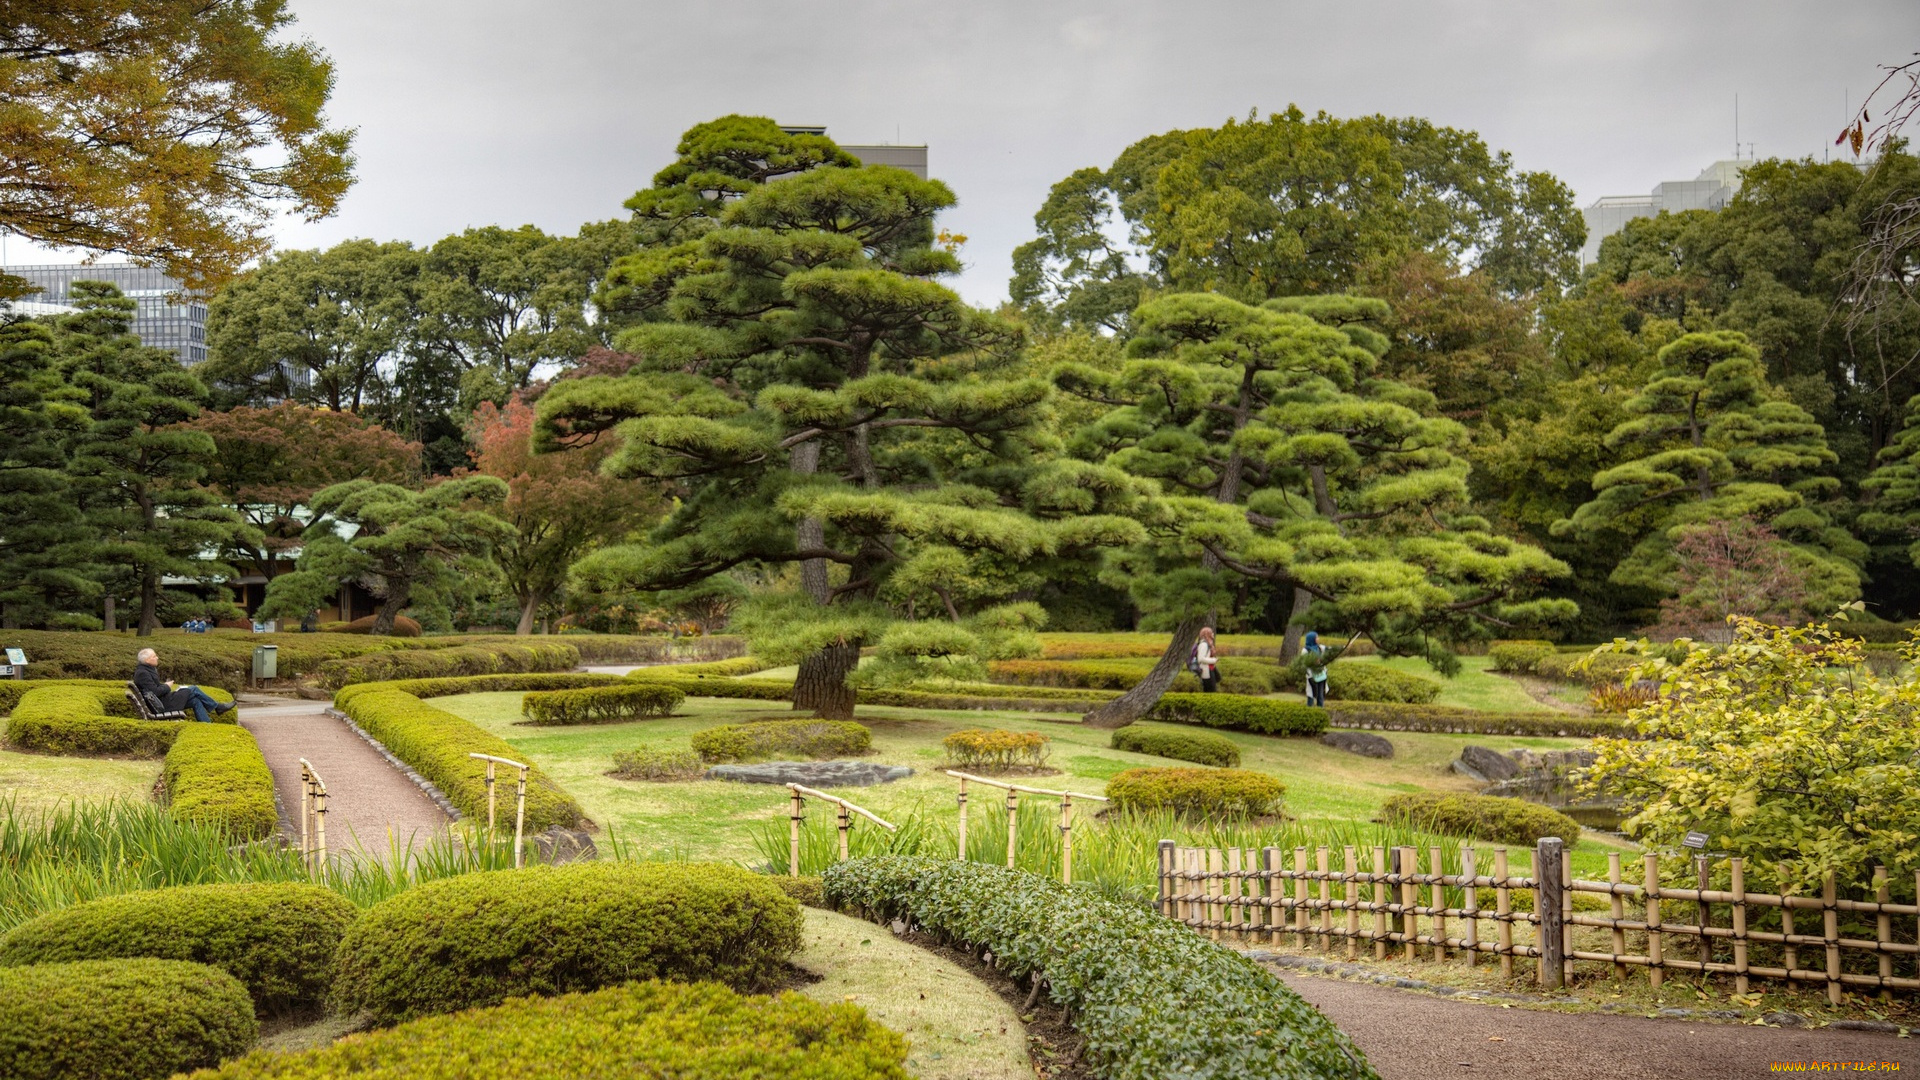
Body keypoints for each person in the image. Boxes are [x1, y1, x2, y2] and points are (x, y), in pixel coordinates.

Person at [132, 648, 232, 723]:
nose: (157, 658)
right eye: (154, 656)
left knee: (195, 701)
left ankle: (207, 725)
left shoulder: (146, 670)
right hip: (162, 705)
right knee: (193, 688)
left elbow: (153, 689)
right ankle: (217, 707)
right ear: (147, 660)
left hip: (163, 701)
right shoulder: (143, 673)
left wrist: (165, 686)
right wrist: (167, 686)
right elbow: (155, 692)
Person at [1302, 631, 1329, 707]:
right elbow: (1304, 662)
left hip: (1321, 675)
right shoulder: (1305, 650)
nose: (1318, 639)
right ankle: (1310, 709)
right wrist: (1313, 661)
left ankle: (1320, 709)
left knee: (1320, 695)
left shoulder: (1320, 648)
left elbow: (1331, 650)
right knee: (1311, 694)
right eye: (1316, 637)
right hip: (1311, 675)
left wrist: (1345, 647)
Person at [1193, 627, 1220, 693]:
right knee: (1210, 690)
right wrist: (1213, 660)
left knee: (1213, 687)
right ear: (1207, 634)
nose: (1213, 634)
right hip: (1206, 670)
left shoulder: (1208, 644)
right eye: (1211, 632)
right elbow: (1200, 658)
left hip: (1211, 669)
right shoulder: (1204, 644)